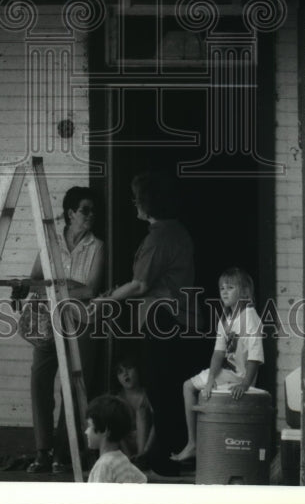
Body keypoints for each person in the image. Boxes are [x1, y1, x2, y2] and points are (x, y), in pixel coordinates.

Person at [89, 169, 196, 475]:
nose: (134, 203)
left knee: (162, 392)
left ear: (150, 203)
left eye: (137, 198)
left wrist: (104, 301)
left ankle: (165, 460)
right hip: (173, 318)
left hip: (165, 319)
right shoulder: (173, 232)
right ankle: (162, 456)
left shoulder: (160, 236)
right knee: (164, 390)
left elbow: (139, 285)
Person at [11, 186, 105, 474]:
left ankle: (63, 455)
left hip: (80, 324)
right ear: (70, 213)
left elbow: (91, 288)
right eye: (85, 210)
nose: (90, 215)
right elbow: (36, 278)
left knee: (73, 387)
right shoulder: (50, 243)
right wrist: (24, 288)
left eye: (93, 210)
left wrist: (56, 287)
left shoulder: (97, 246)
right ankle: (43, 450)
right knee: (40, 382)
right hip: (48, 322)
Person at [170, 267, 264, 463]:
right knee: (190, 386)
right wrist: (211, 378)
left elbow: (255, 356)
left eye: (230, 287)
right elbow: (218, 353)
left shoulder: (250, 317)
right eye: (222, 288)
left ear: (245, 292)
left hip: (240, 376)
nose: (224, 292)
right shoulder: (226, 319)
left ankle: (195, 444)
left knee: (190, 388)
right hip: (226, 373)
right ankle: (194, 443)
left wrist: (246, 384)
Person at [84, 396, 147, 484]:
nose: (86, 432)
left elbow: (98, 497)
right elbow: (142, 480)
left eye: (90, 426)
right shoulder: (122, 459)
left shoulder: (104, 466)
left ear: (105, 430)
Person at [114, 349, 155, 465]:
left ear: (138, 370)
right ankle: (131, 460)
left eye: (129, 368)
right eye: (120, 372)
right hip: (125, 447)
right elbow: (116, 431)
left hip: (147, 443)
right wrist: (127, 455)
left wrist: (146, 450)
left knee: (141, 412)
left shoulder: (147, 395)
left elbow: (158, 424)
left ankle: (141, 457)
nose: (125, 374)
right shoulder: (118, 398)